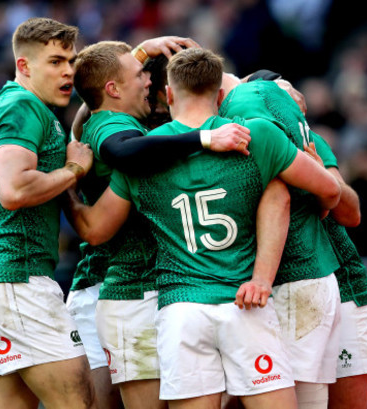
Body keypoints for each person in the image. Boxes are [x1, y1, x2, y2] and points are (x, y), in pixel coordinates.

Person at [65, 47, 343, 409]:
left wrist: (67, 181)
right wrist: (320, 202)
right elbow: (329, 190)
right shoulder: (254, 136)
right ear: (222, 96)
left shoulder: (146, 156)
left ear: (167, 94)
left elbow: (94, 229)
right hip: (245, 301)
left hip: (180, 309)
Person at [66, 39, 253, 409]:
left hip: (159, 290)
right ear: (113, 89)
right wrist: (205, 137)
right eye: (139, 74)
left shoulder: (121, 119)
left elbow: (95, 106)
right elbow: (124, 151)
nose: (148, 81)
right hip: (118, 286)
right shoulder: (113, 124)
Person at [220, 73, 367, 409]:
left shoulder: (309, 139)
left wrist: (319, 174)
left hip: (339, 282)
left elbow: (351, 213)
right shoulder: (238, 135)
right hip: (276, 287)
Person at [0, 17, 96, 409]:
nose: (68, 70)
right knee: (80, 403)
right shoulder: (23, 105)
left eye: (70, 61)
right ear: (24, 66)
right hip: (19, 282)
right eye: (55, 61)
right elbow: (14, 189)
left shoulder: (23, 105)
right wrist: (74, 170)